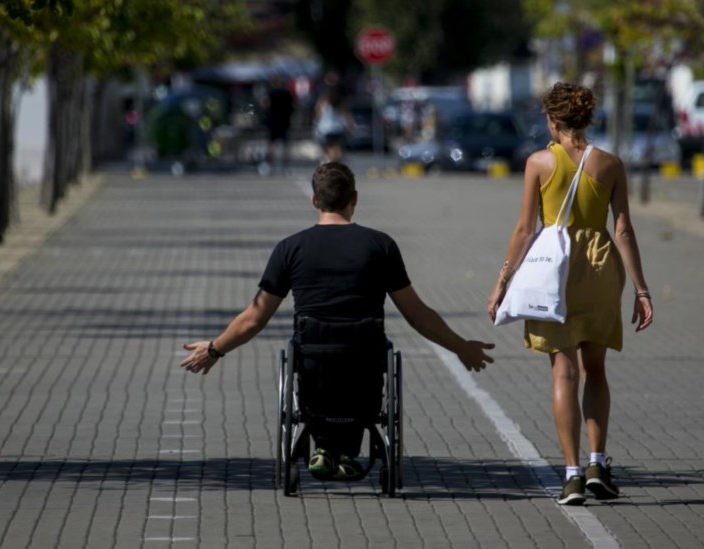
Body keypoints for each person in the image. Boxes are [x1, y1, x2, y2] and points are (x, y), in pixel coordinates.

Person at [182, 162, 494, 480]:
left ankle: (325, 447)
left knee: (311, 357)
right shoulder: (380, 246)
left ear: (314, 200)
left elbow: (254, 318)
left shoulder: (290, 248)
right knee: (366, 360)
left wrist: (215, 349)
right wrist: (461, 347)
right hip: (365, 362)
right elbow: (417, 315)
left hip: (313, 363)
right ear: (354, 198)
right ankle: (345, 453)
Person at [487, 82, 653, 506]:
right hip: (600, 267)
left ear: (553, 120)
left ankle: (572, 475)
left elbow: (525, 230)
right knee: (595, 370)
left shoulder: (539, 163)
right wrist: (642, 290)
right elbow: (623, 230)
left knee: (564, 372)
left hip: (554, 273)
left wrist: (502, 282)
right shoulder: (611, 164)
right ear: (586, 119)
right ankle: (598, 463)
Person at [262, 75, 295, 171]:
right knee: (285, 144)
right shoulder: (286, 93)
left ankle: (269, 164)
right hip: (284, 121)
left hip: (273, 121)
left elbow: (265, 104)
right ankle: (286, 165)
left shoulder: (271, 93)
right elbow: (293, 105)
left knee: (271, 144)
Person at [313, 84, 352, 163]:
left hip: (326, 129)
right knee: (336, 151)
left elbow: (317, 114)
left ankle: (329, 162)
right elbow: (346, 117)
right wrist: (350, 127)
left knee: (328, 150)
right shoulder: (341, 103)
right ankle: (334, 162)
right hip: (338, 129)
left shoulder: (323, 102)